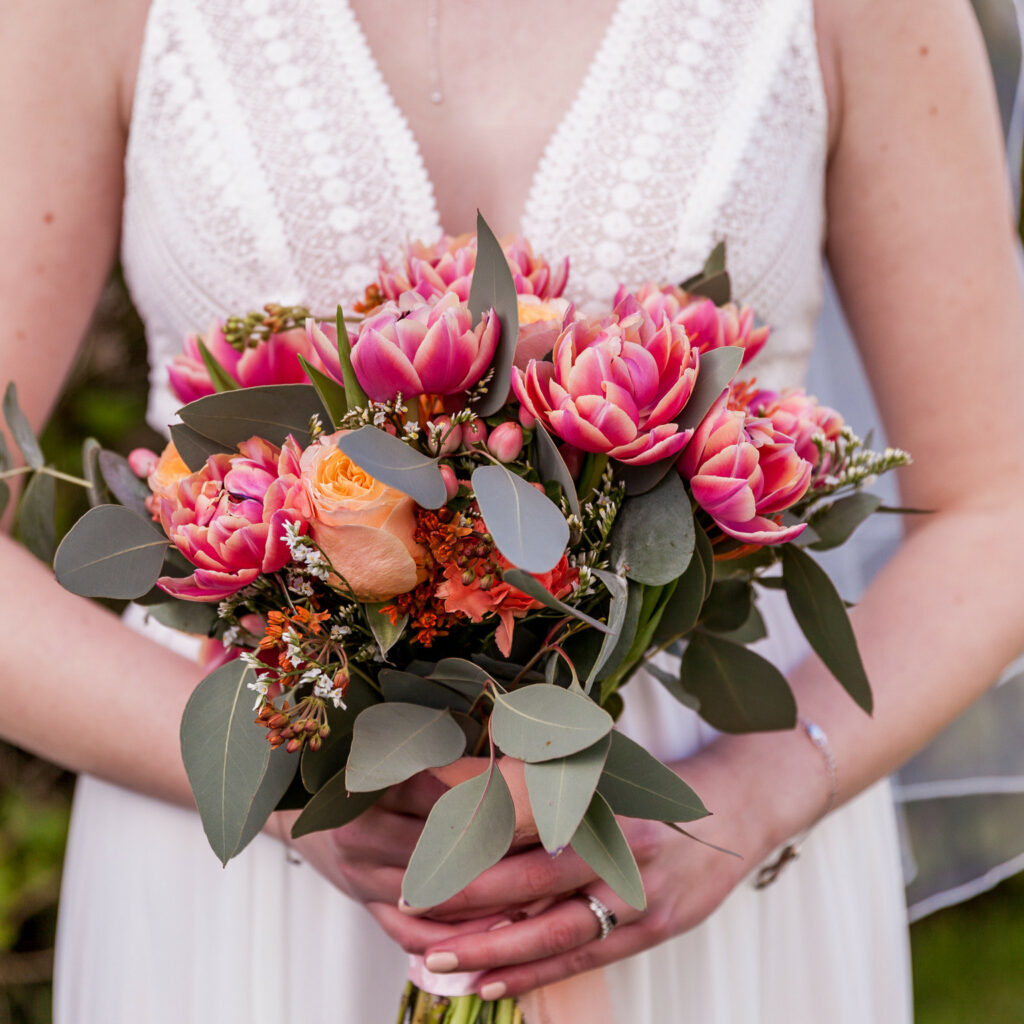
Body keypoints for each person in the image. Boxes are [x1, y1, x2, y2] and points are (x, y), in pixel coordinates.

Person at [3, 0, 1024, 1020]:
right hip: (238, 851)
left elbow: (997, 506)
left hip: (689, 847)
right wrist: (283, 794)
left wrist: (751, 796)